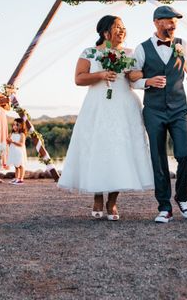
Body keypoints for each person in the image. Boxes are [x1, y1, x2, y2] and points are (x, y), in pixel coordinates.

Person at [58, 15, 154, 221]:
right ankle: (97, 196)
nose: (122, 30)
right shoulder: (90, 52)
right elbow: (79, 78)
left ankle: (112, 201)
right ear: (105, 32)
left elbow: (134, 77)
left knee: (121, 151)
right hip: (98, 106)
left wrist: (142, 75)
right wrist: (101, 75)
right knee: (98, 148)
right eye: (117, 27)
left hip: (124, 105)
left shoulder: (130, 53)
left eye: (123, 27)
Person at [131, 6, 187, 223]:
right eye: (168, 20)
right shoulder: (142, 48)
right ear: (156, 22)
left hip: (179, 109)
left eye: (175, 21)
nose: (173, 24)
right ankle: (164, 207)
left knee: (185, 154)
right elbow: (131, 78)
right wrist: (147, 82)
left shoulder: (183, 45)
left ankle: (182, 197)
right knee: (158, 157)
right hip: (153, 110)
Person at [7, 118, 28, 185]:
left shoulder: (22, 134)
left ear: (21, 126)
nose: (15, 126)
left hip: (19, 152)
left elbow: (21, 144)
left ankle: (21, 179)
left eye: (17, 125)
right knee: (16, 166)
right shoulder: (12, 133)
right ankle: (16, 178)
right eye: (14, 125)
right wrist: (8, 140)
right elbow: (8, 142)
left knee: (21, 165)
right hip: (13, 151)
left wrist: (12, 141)